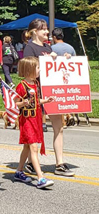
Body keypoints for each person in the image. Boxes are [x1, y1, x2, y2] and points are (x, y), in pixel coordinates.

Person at [23, 18, 74, 177]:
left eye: (46, 29)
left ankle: (59, 163)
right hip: (37, 93)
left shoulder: (48, 47)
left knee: (59, 127)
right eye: (43, 29)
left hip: (52, 92)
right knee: (36, 130)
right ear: (34, 32)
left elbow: (55, 68)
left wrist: (64, 59)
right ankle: (31, 161)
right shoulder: (29, 48)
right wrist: (46, 60)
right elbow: (28, 70)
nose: (47, 32)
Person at [13, 56, 55, 189]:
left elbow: (36, 101)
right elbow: (14, 104)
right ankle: (40, 177)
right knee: (33, 148)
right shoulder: (21, 86)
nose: (39, 70)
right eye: (37, 68)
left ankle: (19, 171)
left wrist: (45, 101)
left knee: (26, 147)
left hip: (36, 119)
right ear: (28, 70)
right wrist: (22, 103)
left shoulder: (35, 84)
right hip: (27, 121)